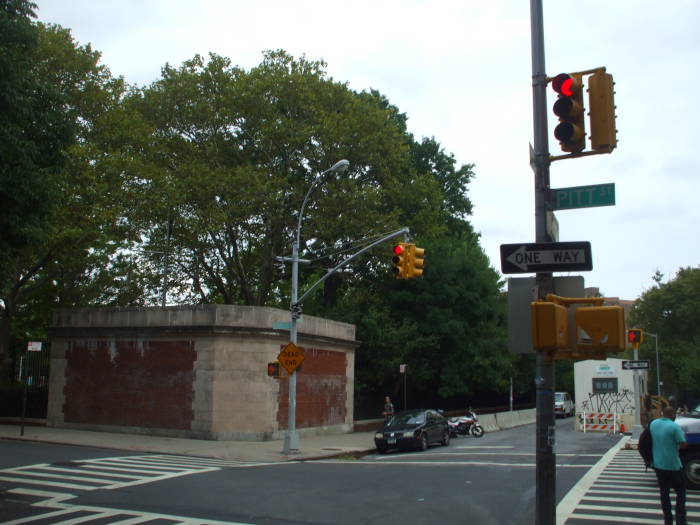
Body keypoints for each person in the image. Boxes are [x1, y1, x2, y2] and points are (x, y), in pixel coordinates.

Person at [650, 405, 687, 525]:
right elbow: (682, 444)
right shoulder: (674, 427)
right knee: (681, 492)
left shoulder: (654, 424)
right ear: (673, 415)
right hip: (674, 465)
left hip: (659, 465)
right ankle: (680, 518)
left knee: (664, 493)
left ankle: (668, 519)